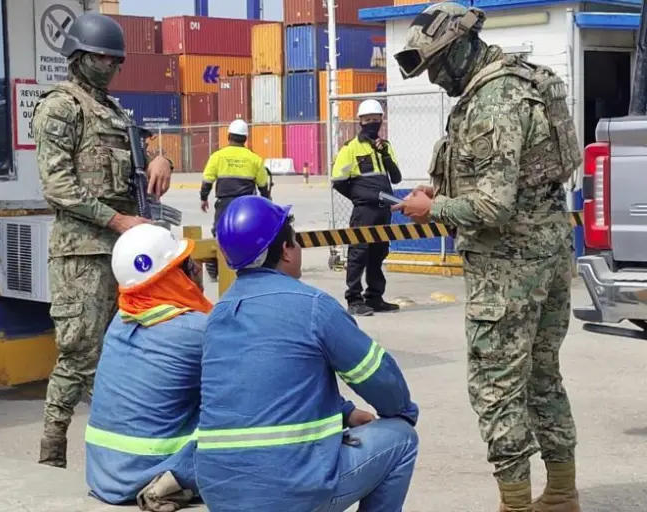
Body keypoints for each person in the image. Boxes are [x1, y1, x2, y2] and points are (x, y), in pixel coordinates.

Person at [392, 3, 580, 511]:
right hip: (548, 252)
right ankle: (561, 494)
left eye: (437, 64)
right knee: (543, 377)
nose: (434, 77)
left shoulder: (492, 101)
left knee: (495, 387)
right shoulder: (523, 82)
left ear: (460, 47)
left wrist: (433, 209)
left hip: (508, 270)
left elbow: (494, 206)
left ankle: (516, 503)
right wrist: (443, 190)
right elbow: (521, 178)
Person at [194, 195, 420, 512]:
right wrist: (403, 411)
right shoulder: (313, 306)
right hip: (291, 491)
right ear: (286, 250)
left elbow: (261, 384)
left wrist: (344, 412)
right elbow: (379, 378)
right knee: (401, 437)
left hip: (220, 492)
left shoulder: (219, 314)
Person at [33, 12, 174, 469]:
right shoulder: (61, 107)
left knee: (124, 354)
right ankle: (52, 453)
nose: (111, 67)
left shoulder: (113, 111)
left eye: (117, 61)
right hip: (83, 254)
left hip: (125, 252)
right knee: (79, 355)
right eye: (103, 58)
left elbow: (138, 159)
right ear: (78, 56)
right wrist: (117, 221)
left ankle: (119, 452)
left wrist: (162, 159)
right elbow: (58, 186)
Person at [85, 224, 211, 510]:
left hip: (105, 475)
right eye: (186, 264)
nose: (197, 269)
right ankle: (176, 480)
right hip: (149, 471)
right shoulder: (196, 330)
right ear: (172, 277)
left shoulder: (120, 322)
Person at [331, 99, 402, 317]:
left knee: (378, 253)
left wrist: (385, 155)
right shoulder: (350, 148)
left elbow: (396, 178)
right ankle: (354, 299)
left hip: (383, 209)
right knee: (359, 253)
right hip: (365, 211)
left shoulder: (385, 146)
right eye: (367, 119)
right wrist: (359, 197)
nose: (372, 123)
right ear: (360, 121)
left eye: (375, 119)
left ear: (381, 120)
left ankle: (375, 297)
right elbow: (338, 180)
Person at [200, 119, 270, 281]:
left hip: (224, 202)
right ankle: (247, 265)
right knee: (248, 233)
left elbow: (207, 179)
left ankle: (213, 264)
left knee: (219, 233)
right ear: (245, 138)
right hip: (246, 204)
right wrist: (266, 200)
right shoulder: (254, 159)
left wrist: (204, 198)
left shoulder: (217, 156)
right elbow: (263, 185)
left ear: (229, 136)